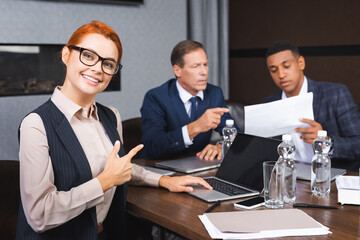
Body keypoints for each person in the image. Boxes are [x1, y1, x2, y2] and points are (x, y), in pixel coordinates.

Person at [16, 21, 211, 240]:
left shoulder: (111, 116)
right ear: (66, 54)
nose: (97, 69)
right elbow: (39, 214)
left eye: (108, 64)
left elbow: (118, 168)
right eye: (88, 56)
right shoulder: (36, 124)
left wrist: (164, 181)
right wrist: (105, 181)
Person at [263, 40, 360, 171]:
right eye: (274, 70)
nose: (281, 75)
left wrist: (327, 142)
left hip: (327, 177)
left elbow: (357, 144)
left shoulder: (335, 94)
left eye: (286, 66)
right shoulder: (269, 104)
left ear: (300, 63)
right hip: (286, 176)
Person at [141, 40, 236, 160]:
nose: (204, 72)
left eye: (205, 65)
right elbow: (152, 147)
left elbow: (233, 131)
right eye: (196, 66)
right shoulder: (156, 97)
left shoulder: (214, 93)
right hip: (163, 168)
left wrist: (221, 146)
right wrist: (195, 127)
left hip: (200, 164)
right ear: (177, 70)